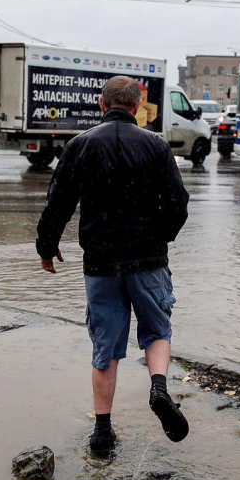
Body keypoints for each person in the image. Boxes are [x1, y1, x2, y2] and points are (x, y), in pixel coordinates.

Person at [36, 76, 191, 457]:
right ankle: (158, 387)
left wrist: (47, 246)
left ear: (102, 106)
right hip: (148, 258)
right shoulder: (155, 146)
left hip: (101, 262)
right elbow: (178, 203)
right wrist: (160, 237)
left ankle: (102, 433)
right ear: (137, 106)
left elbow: (59, 202)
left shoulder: (80, 145)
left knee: (106, 345)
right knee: (157, 329)